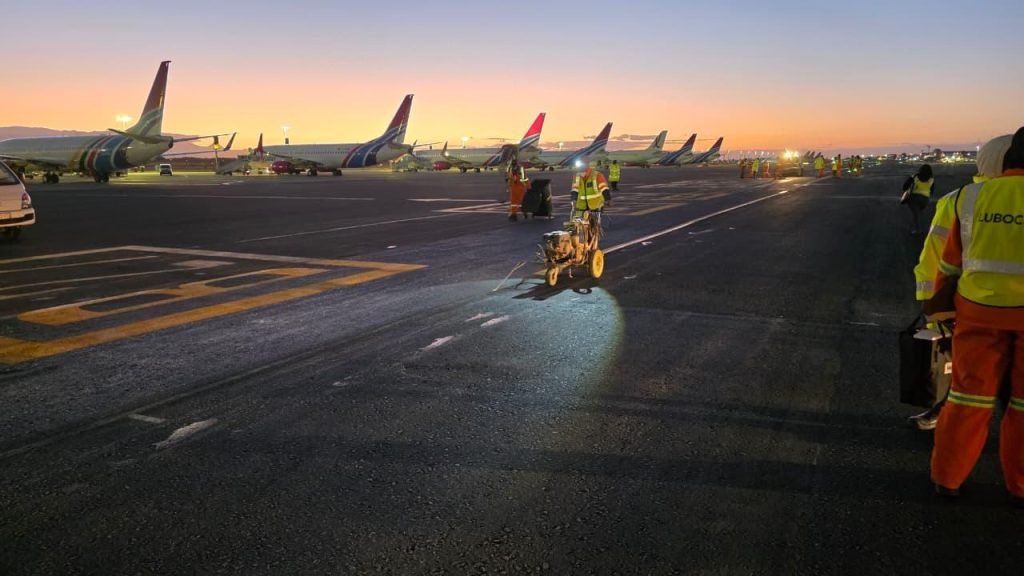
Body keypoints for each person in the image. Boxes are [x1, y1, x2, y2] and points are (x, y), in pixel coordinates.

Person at [929, 126, 1024, 505]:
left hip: (979, 313)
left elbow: (950, 264)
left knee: (968, 399)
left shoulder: (971, 198)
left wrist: (938, 304)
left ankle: (947, 478)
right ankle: (1019, 486)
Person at [908, 135, 1013, 430]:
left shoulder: (960, 200)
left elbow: (934, 259)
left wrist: (932, 308)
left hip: (972, 311)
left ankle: (942, 419)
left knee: (962, 380)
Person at [904, 164, 935, 234]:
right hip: (925, 200)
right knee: (918, 214)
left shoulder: (915, 177)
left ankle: (918, 230)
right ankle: (914, 227)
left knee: (916, 214)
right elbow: (932, 190)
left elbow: (905, 186)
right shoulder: (931, 179)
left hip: (914, 198)